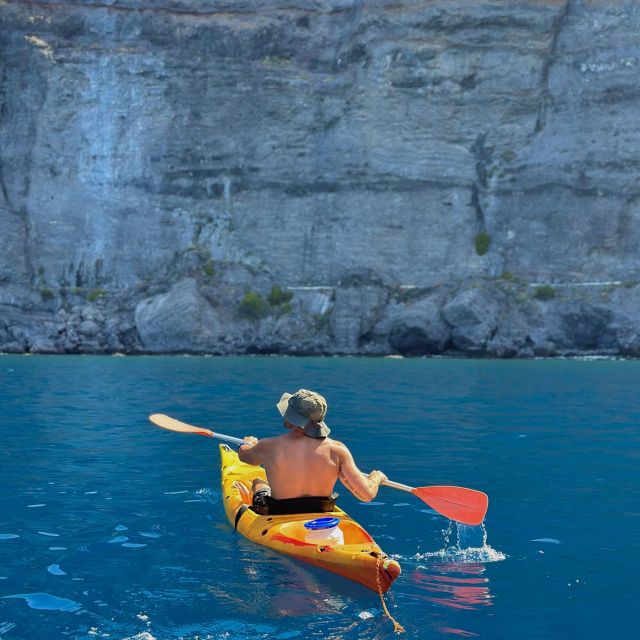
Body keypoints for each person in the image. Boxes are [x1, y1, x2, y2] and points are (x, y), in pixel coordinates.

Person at [234, 389, 388, 515]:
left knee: (258, 483)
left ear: (291, 416)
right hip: (321, 512)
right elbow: (367, 495)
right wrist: (376, 477)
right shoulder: (338, 450)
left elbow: (246, 457)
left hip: (279, 514)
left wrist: (246, 443)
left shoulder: (268, 445)